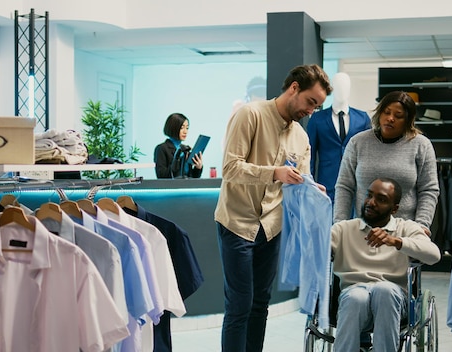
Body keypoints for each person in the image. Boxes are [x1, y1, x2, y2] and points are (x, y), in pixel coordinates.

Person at [214, 64, 332, 352]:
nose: (311, 111)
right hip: (237, 223)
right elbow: (230, 168)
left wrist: (310, 187)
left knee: (260, 304)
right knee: (239, 305)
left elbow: (299, 180)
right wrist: (274, 172)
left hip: (271, 227)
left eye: (317, 106)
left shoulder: (301, 137)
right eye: (310, 102)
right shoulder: (250, 114)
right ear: (294, 88)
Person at [330, 177, 441, 352]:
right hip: (353, 297)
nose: (371, 203)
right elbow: (315, 251)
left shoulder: (406, 228)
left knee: (384, 290)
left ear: (394, 208)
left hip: (394, 301)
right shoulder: (343, 229)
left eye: (380, 199)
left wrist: (396, 241)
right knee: (356, 296)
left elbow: (434, 255)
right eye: (369, 195)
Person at [333, 90, 439, 236]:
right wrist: (340, 224)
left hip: (404, 233)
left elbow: (428, 189)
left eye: (398, 116)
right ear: (379, 113)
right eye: (386, 112)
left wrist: (422, 225)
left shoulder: (421, 145)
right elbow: (345, 186)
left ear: (408, 120)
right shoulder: (358, 142)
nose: (390, 118)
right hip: (363, 230)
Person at [306, 72, 371, 203]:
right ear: (332, 88)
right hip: (326, 185)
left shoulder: (362, 118)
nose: (343, 90)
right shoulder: (318, 119)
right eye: (339, 86)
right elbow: (310, 155)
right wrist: (309, 185)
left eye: (345, 86)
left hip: (356, 184)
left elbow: (368, 154)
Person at [153, 112, 203, 179]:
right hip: (172, 188)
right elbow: (162, 176)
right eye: (182, 128)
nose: (185, 132)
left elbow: (192, 176)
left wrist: (198, 168)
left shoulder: (186, 150)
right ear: (173, 128)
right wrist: (179, 159)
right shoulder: (161, 148)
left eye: (187, 128)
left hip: (188, 187)